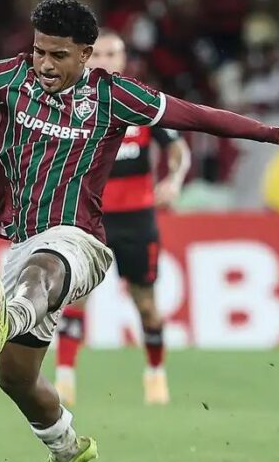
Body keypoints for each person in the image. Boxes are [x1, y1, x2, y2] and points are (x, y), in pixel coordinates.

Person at [0, 0, 279, 462]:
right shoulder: (11, 77)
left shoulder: (114, 96)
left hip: (80, 240)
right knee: (14, 377)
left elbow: (195, 116)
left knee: (48, 263)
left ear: (86, 54)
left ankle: (14, 314)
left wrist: (272, 133)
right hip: (21, 244)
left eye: (59, 55)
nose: (44, 64)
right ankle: (66, 447)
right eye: (40, 51)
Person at [54, 31, 191, 406]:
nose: (104, 59)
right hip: (89, 218)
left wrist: (174, 179)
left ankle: (156, 373)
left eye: (111, 53)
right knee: (76, 296)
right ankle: (64, 380)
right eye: (96, 53)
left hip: (136, 219)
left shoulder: (143, 103)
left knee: (145, 302)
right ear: (84, 57)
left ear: (123, 59)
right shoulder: (69, 104)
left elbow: (178, 148)